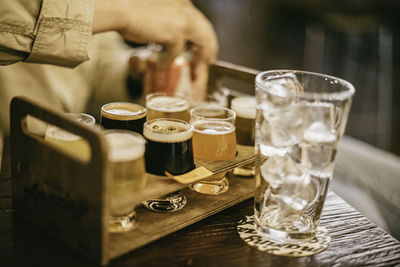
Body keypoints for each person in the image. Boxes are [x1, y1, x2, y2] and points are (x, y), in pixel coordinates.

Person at [0, 0, 218, 167]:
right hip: (9, 156)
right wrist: (126, 13)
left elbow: (98, 61)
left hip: (66, 153)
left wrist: (133, 77)